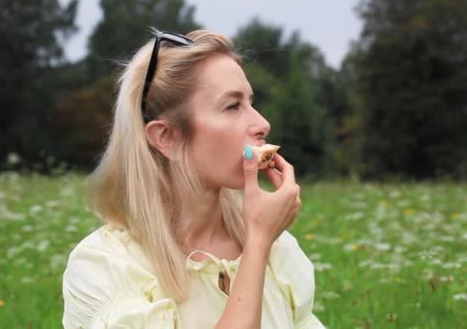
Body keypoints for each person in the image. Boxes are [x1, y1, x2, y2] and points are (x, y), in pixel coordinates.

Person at [62, 29, 326, 328]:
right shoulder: (104, 267)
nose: (262, 123)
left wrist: (260, 241)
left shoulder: (280, 249)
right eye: (232, 106)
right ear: (167, 137)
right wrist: (257, 244)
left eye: (251, 102)